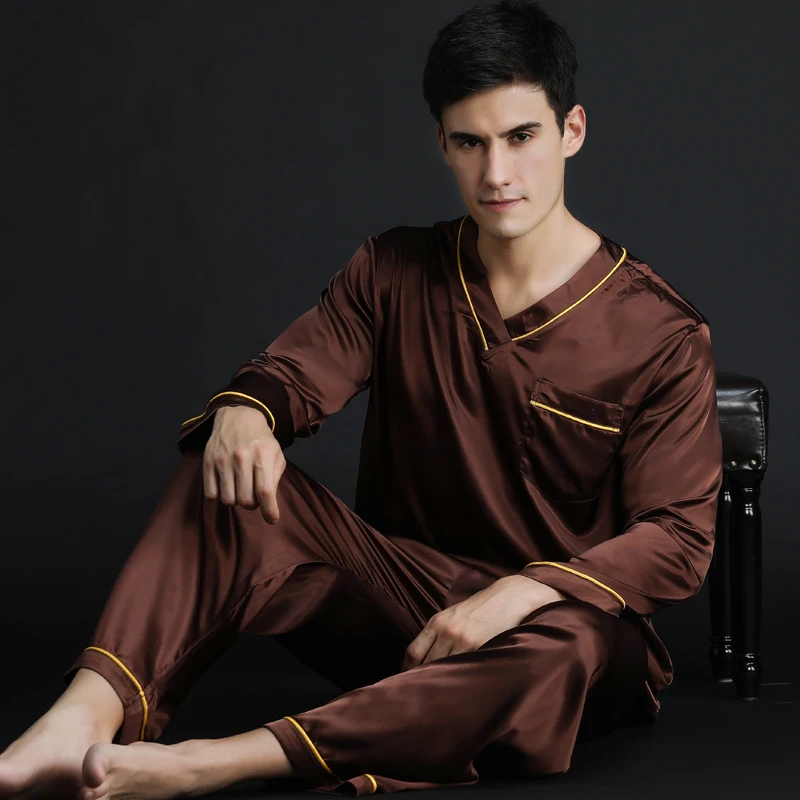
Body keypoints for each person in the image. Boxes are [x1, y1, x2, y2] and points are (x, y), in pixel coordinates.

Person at [0, 1, 724, 798]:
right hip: (406, 614)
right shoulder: (393, 270)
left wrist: (521, 592)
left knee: (571, 646)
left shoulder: (661, 331)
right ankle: (79, 720)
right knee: (225, 477)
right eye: (470, 143)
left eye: (521, 137)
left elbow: (678, 537)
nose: (497, 174)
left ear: (571, 131)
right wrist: (248, 410)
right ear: (442, 144)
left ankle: (219, 762)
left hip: (560, 639)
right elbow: (294, 372)